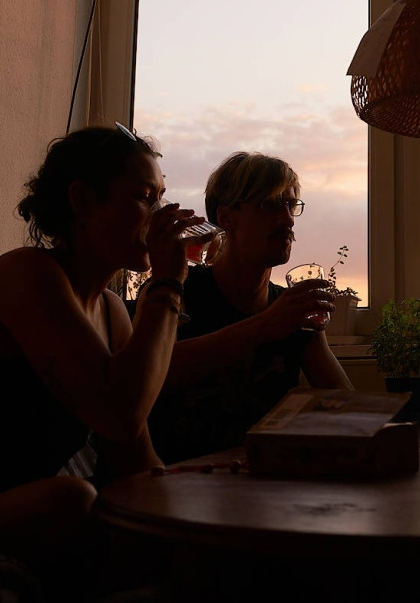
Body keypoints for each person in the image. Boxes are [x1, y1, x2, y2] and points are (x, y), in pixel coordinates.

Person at [0, 124, 207, 597]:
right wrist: (168, 283)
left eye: (160, 199)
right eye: (143, 198)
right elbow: (119, 414)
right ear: (82, 200)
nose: (158, 216)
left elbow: (134, 456)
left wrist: (200, 494)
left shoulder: (111, 310)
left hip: (29, 512)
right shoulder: (25, 274)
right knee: (73, 500)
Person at [147, 151, 353, 465]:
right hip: (180, 478)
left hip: (265, 479)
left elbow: (348, 407)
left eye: (291, 206)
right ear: (226, 217)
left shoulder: (292, 309)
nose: (287, 220)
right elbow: (149, 377)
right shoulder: (178, 290)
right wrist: (264, 326)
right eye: (271, 205)